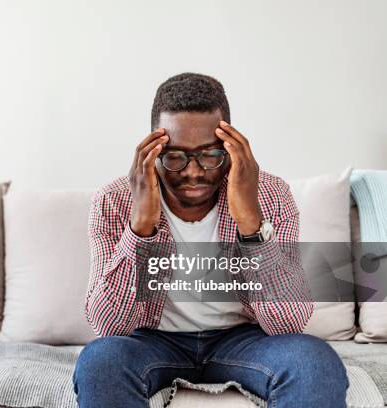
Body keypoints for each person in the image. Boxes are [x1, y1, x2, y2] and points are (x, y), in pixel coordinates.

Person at [73, 73, 348, 407]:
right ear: (154, 150)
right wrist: (141, 227)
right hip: (152, 341)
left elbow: (288, 321)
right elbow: (109, 325)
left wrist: (250, 222)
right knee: (101, 360)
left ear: (231, 149)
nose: (193, 172)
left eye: (209, 155)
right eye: (175, 156)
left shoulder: (271, 195)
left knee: (313, 360)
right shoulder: (114, 201)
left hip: (243, 339)